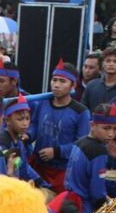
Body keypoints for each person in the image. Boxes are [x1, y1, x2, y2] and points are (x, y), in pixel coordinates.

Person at [30, 61, 91, 192]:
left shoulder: (81, 112)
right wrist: (27, 135)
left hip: (63, 172)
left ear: (73, 85)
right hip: (38, 168)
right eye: (54, 80)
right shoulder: (43, 103)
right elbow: (35, 124)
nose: (56, 85)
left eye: (62, 81)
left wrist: (57, 151)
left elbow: (82, 145)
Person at [64, 103, 116, 213]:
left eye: (115, 129)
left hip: (68, 201)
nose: (111, 134)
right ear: (92, 125)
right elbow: (97, 194)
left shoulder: (80, 142)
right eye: (106, 128)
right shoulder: (98, 152)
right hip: (84, 210)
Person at [0, 95, 44, 185]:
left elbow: (24, 167)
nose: (25, 124)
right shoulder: (2, 143)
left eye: (27, 118)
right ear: (7, 120)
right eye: (20, 119)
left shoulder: (19, 140)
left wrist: (40, 182)